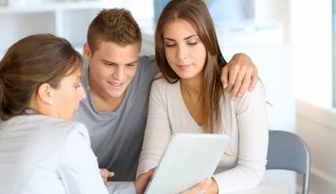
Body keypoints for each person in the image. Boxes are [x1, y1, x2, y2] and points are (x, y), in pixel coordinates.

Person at [74, 8, 259, 183]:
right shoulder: (65, 89)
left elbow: (194, 62)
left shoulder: (153, 73)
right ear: (87, 52)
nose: (120, 77)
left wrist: (241, 58)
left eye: (130, 64)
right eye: (109, 64)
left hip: (135, 189)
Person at [0, 34, 151, 194]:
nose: (82, 95)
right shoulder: (67, 136)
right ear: (46, 93)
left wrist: (131, 188)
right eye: (76, 84)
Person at [136, 0, 268, 194]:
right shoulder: (161, 89)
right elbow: (152, 156)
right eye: (171, 44)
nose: (181, 55)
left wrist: (203, 189)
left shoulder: (243, 88)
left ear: (208, 40)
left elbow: (252, 171)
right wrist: (149, 184)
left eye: (191, 42)